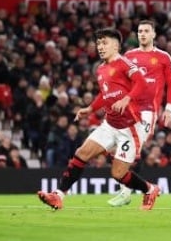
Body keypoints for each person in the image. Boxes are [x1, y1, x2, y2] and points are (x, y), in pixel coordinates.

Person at [37, 28, 162, 211]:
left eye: (105, 43)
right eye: (98, 43)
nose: (100, 47)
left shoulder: (124, 63)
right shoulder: (101, 68)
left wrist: (127, 99)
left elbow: (141, 83)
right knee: (81, 154)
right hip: (110, 124)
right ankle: (58, 196)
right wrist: (90, 108)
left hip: (130, 128)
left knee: (118, 174)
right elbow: (105, 95)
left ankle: (149, 189)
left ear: (116, 46)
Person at [108, 19, 171, 207]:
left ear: (154, 34)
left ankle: (127, 192)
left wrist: (169, 108)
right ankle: (134, 191)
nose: (142, 34)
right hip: (130, 110)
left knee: (132, 149)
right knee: (120, 149)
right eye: (139, 31)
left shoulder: (163, 57)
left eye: (146, 31)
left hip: (148, 111)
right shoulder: (129, 56)